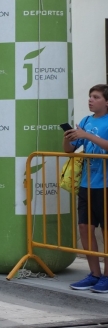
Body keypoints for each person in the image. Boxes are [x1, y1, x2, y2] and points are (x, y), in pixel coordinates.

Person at [64, 84, 108, 292]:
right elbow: (69, 151)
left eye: (96, 97)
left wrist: (86, 135)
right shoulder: (85, 121)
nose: (91, 100)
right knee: (85, 228)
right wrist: (69, 137)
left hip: (106, 185)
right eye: (90, 96)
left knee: (105, 231)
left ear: (106, 102)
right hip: (86, 183)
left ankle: (106, 276)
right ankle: (94, 274)